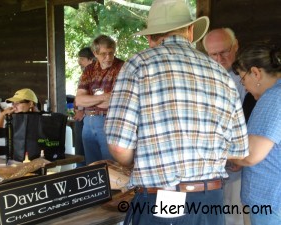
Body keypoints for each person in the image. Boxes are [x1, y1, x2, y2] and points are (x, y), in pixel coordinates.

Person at [104, 1, 248, 224]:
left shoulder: (140, 65)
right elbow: (238, 153)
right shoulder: (220, 73)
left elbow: (119, 147)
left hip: (165, 195)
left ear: (152, 36)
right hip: (209, 200)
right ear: (190, 31)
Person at [203, 28, 256, 225]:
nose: (219, 58)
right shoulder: (203, 76)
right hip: (213, 157)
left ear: (236, 46)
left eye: (224, 52)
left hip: (242, 155)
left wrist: (238, 152)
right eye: (213, 54)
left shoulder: (249, 75)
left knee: (236, 211)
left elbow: (252, 115)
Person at [231, 44, 281, 225]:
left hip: (270, 201)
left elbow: (251, 155)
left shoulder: (273, 97)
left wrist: (220, 152)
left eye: (243, 80)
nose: (245, 88)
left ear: (256, 73)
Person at [75, 35, 124, 165]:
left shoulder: (121, 67)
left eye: (111, 53)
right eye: (103, 54)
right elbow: (79, 100)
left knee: (111, 166)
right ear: (95, 53)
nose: (108, 57)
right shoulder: (89, 69)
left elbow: (117, 100)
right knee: (92, 167)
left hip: (109, 121)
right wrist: (103, 97)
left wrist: (91, 99)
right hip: (88, 121)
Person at [74, 47, 95, 167]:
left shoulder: (93, 75)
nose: (79, 62)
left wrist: (81, 110)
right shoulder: (85, 74)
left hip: (87, 116)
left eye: (82, 59)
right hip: (83, 115)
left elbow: (88, 95)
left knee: (83, 150)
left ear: (91, 60)